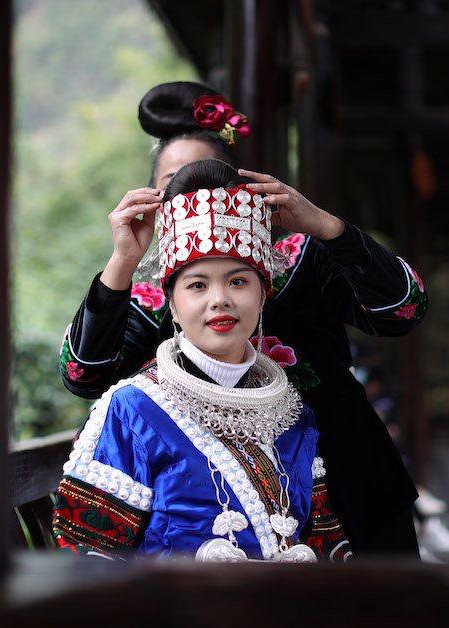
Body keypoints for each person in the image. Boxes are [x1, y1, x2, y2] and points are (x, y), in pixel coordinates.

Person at [59, 81, 429, 555]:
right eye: (175, 184)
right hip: (232, 533)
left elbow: (404, 310)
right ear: (153, 197)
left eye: (210, 182)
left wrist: (326, 227)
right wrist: (121, 264)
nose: (195, 198)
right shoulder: (153, 296)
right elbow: (83, 375)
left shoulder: (298, 258)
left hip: (356, 490)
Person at [52, 160, 351, 561]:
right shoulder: (132, 409)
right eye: (197, 285)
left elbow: (326, 546)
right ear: (171, 306)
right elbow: (89, 558)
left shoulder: (290, 412)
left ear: (263, 297)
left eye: (238, 281)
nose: (219, 299)